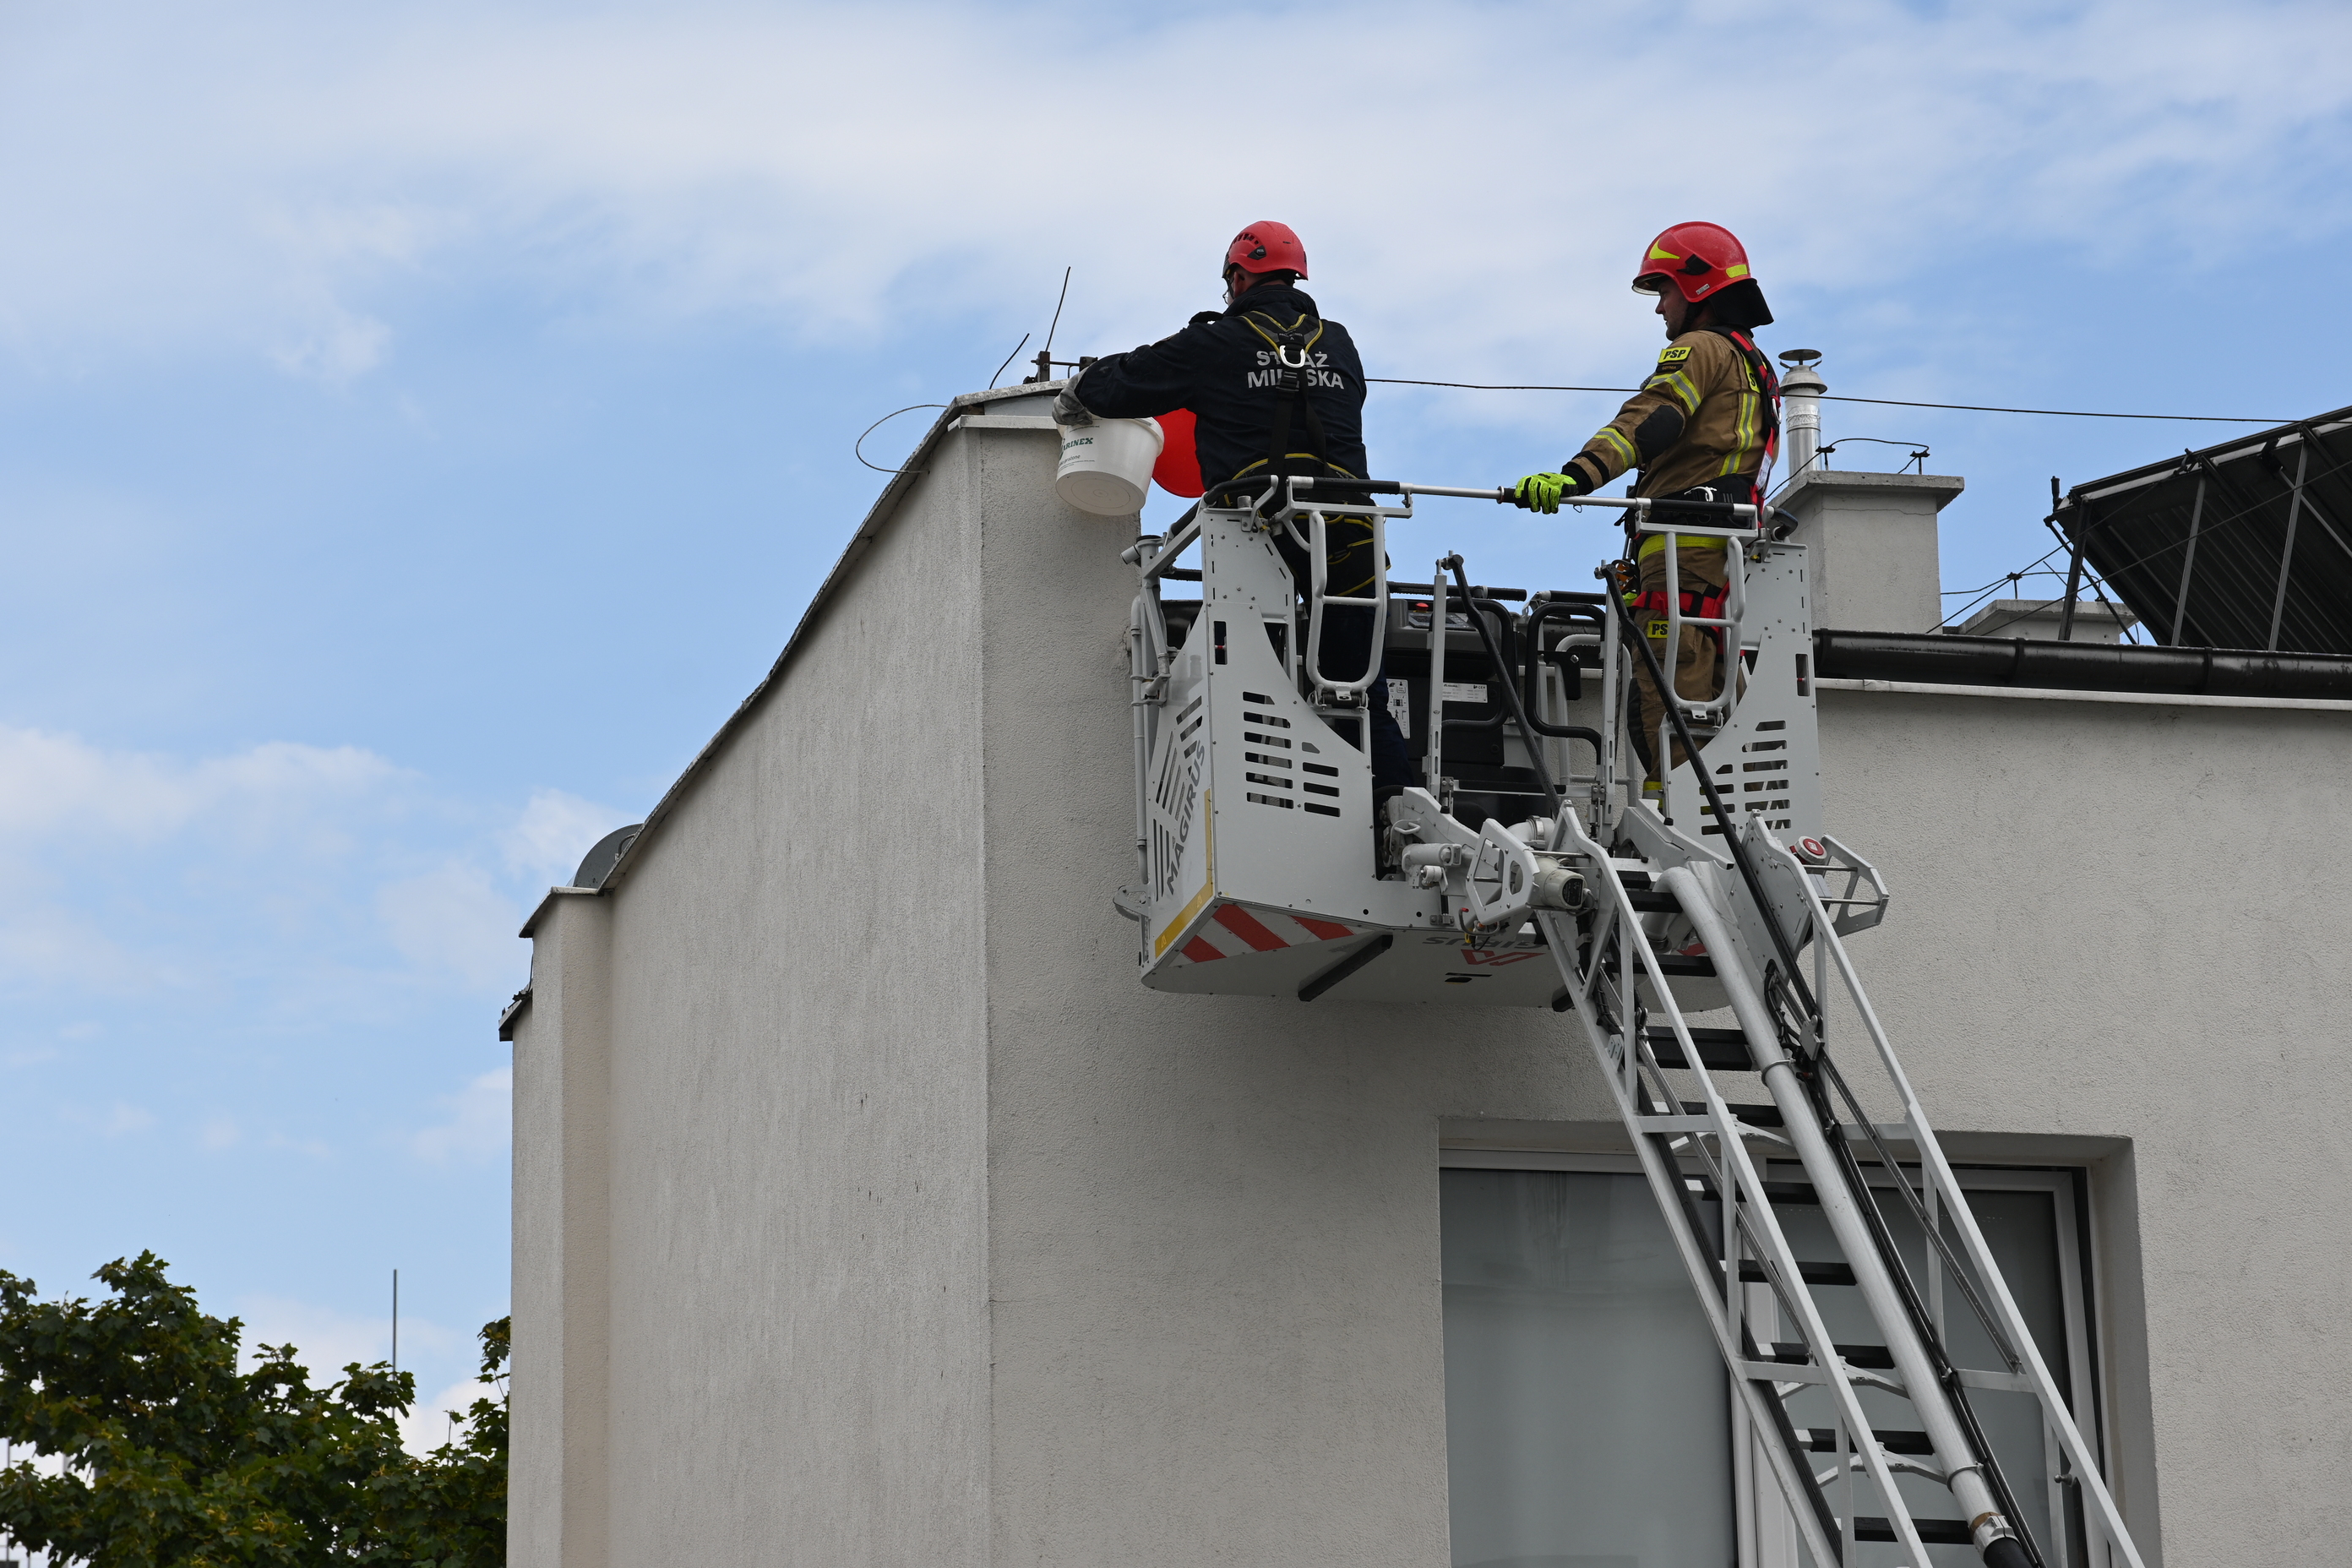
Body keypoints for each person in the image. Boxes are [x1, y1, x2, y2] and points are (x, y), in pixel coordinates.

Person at [1054, 221, 1413, 789]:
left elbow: (1123, 383)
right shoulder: (1340, 342)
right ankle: (1395, 814)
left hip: (1259, 531)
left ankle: (1275, 799)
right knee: (1358, 696)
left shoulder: (1216, 344)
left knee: (1252, 685)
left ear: (1240, 277)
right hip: (1354, 533)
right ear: (1296, 277)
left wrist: (1076, 392)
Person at [1510, 220, 1783, 793]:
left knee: (1667, 709)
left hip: (1680, 553)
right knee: (1706, 702)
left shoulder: (1701, 349)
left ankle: (1675, 823)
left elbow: (1653, 417)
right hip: (1718, 561)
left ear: (1698, 287)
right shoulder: (1754, 363)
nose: (1659, 309)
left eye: (1665, 291)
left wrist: (1576, 475)